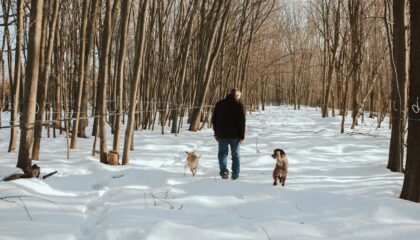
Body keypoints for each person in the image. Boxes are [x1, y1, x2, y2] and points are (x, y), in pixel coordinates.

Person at [212, 89, 246, 180]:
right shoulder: (239, 105)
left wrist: (216, 133)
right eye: (238, 96)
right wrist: (242, 136)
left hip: (222, 134)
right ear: (235, 95)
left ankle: (224, 172)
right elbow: (242, 122)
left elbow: (214, 120)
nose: (239, 97)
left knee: (222, 154)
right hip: (235, 136)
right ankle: (235, 174)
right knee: (235, 155)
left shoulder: (219, 104)